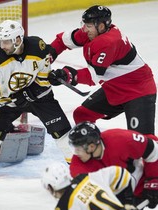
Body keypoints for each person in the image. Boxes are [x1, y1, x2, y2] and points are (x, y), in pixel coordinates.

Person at [0, 19, 72, 191]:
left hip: (41, 98)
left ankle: (80, 172)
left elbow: (43, 80)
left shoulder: (38, 48)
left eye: (7, 41)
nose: (3, 45)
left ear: (18, 40)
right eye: (1, 41)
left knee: (63, 135)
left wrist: (29, 93)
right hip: (8, 101)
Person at [48, 5, 156, 136]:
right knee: (82, 115)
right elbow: (63, 40)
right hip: (114, 87)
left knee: (143, 142)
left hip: (138, 91)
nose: (85, 29)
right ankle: (94, 150)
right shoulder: (93, 32)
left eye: (88, 26)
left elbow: (94, 76)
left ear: (101, 26)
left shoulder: (109, 42)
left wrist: (67, 74)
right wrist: (48, 57)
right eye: (85, 24)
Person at [68, 121, 158, 210]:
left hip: (139, 184)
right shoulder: (77, 165)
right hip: (114, 194)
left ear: (91, 146)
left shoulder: (122, 139)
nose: (76, 154)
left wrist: (153, 180)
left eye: (78, 149)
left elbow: (154, 150)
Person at [41, 162, 135, 210]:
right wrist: (127, 201)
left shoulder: (62, 209)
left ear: (50, 187)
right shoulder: (85, 178)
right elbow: (121, 174)